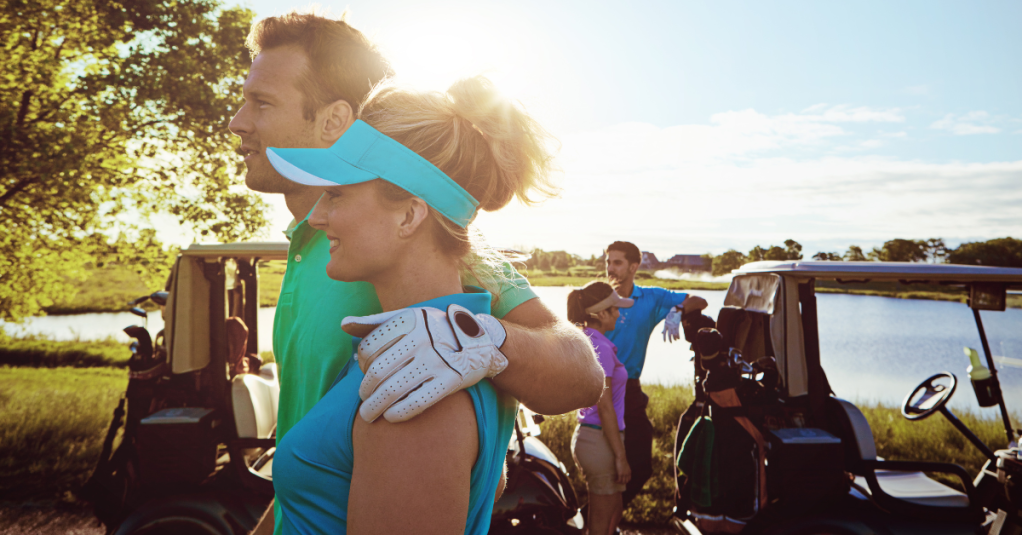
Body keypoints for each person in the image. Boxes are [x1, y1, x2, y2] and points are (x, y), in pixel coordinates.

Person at [227, 12, 605, 534]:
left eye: (261, 102)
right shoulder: (322, 244)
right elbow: (320, 471)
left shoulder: (426, 249)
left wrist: (478, 336)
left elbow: (581, 374)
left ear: (337, 121)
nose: (237, 121)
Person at [266, 75, 557, 534]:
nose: (318, 216)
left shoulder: (416, 384)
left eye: (337, 193)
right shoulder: (414, 342)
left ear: (409, 215)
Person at [602, 240, 708, 507]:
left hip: (630, 390)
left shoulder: (650, 297)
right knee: (606, 469)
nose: (610, 268)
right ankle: (594, 521)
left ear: (634, 266)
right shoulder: (598, 297)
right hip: (598, 389)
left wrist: (678, 311)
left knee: (640, 467)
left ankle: (597, 519)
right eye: (608, 262)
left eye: (617, 262)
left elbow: (699, 300)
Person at [567, 282, 633, 535]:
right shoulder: (601, 347)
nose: (618, 313)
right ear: (601, 314)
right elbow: (604, 405)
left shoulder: (587, 339)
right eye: (615, 309)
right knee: (601, 521)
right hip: (599, 438)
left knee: (614, 509)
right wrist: (620, 456)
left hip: (596, 436)